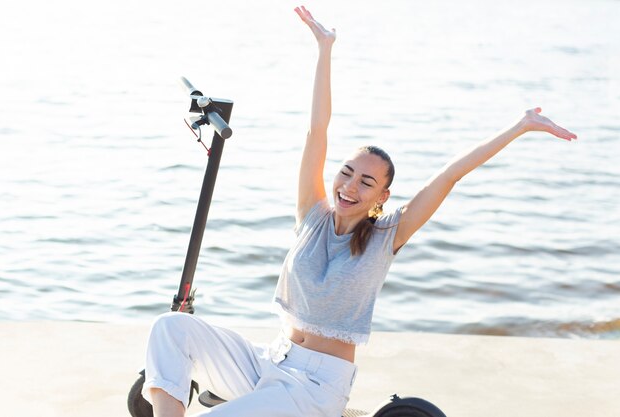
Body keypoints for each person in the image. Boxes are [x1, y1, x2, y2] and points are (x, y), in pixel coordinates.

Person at [141, 5, 577, 417]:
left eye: (366, 182)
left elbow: (448, 176)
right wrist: (324, 49)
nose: (350, 186)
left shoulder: (388, 235)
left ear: (382, 197)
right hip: (266, 362)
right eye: (347, 173)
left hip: (313, 388)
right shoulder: (312, 215)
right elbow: (317, 129)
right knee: (170, 328)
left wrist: (519, 127)